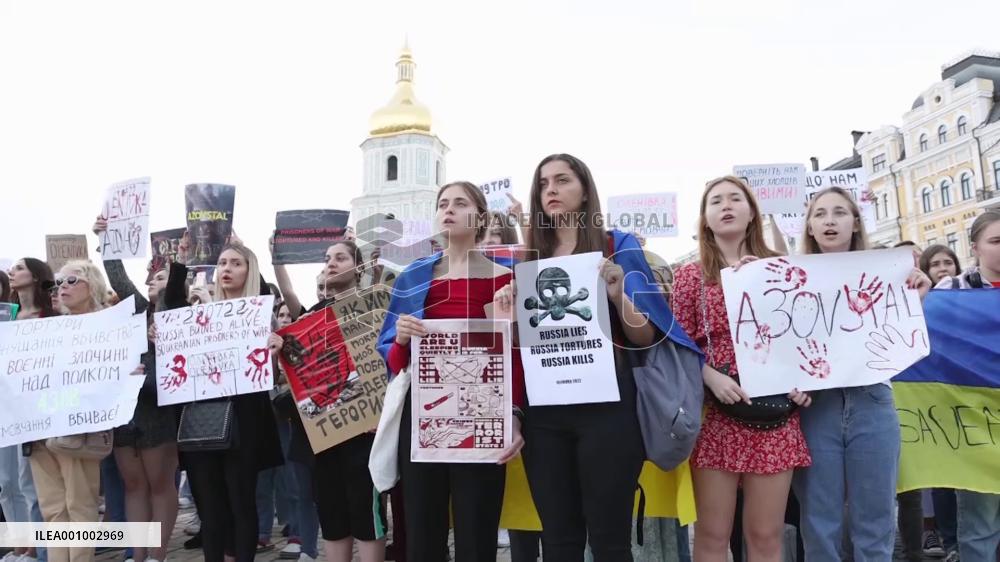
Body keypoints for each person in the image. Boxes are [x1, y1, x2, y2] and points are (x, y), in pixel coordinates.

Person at [493, 154, 700, 561]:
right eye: (543, 182)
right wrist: (506, 308)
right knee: (558, 541)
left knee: (609, 542)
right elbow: (518, 344)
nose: (550, 189)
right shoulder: (529, 256)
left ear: (584, 189)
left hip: (609, 410)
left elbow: (646, 336)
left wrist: (618, 291)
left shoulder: (616, 244)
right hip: (545, 413)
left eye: (562, 180)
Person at [378, 181, 526, 562]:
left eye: (460, 203)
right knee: (423, 531)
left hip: (484, 414)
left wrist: (514, 415)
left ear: (480, 216)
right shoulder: (413, 277)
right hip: (425, 415)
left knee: (477, 533)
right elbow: (393, 362)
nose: (449, 210)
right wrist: (402, 340)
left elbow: (517, 355)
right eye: (443, 204)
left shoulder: (508, 278)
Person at [670, 176, 811, 562]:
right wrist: (709, 376)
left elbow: (803, 336)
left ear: (752, 213)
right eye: (716, 201)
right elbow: (678, 343)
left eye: (736, 199)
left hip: (774, 416)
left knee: (765, 535)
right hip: (716, 415)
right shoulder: (689, 276)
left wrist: (803, 381)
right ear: (705, 218)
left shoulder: (781, 268)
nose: (726, 205)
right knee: (713, 535)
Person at [792, 187, 931, 561]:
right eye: (820, 214)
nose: (830, 220)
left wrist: (915, 299)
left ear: (855, 222)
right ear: (809, 225)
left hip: (872, 400)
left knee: (876, 521)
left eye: (839, 212)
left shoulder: (888, 275)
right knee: (821, 523)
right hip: (816, 407)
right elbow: (781, 347)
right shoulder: (789, 277)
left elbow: (899, 342)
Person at [162, 243, 284, 562]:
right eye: (221, 263)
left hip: (245, 421)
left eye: (235, 263)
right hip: (202, 419)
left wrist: (274, 352)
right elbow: (171, 307)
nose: (226, 269)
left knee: (242, 502)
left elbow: (267, 373)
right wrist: (182, 262)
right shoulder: (198, 315)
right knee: (210, 508)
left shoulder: (260, 316)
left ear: (250, 270)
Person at [29, 261, 144, 562]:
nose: (62, 287)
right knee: (53, 511)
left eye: (71, 280)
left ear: (91, 285)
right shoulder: (49, 328)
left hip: (77, 431)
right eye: (58, 282)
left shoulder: (109, 327)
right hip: (41, 430)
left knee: (79, 508)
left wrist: (128, 374)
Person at [92, 217, 179, 562]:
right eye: (153, 277)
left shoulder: (185, 315)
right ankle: (137, 554)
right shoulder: (140, 312)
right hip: (128, 413)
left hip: (160, 412)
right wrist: (105, 238)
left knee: (160, 485)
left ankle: (157, 555)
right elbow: (118, 279)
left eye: (164, 277)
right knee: (133, 485)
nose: (155, 281)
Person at [932, 210, 1000, 562]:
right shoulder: (950, 292)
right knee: (980, 525)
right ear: (974, 247)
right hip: (975, 426)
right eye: (996, 241)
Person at [3, 258, 55, 562]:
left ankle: (42, 549)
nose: (13, 272)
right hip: (8, 408)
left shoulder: (50, 315)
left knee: (35, 484)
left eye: (20, 267)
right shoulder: (7, 317)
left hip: (40, 409)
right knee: (12, 482)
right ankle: (24, 546)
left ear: (36, 277)